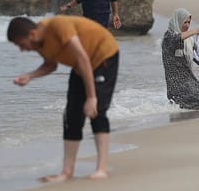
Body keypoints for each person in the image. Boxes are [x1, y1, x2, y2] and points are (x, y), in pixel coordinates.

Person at [7, 15, 119, 182]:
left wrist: (91, 97)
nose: (22, 50)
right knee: (72, 116)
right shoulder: (39, 43)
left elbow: (82, 56)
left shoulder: (58, 25)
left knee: (97, 111)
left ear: (31, 34)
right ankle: (67, 172)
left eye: (21, 45)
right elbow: (51, 65)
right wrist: (30, 76)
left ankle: (101, 169)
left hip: (103, 55)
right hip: (80, 66)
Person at [161, 8, 199, 109]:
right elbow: (177, 38)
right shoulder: (168, 36)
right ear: (177, 21)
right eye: (185, 22)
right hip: (177, 86)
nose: (187, 25)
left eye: (189, 22)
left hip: (190, 82)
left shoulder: (189, 40)